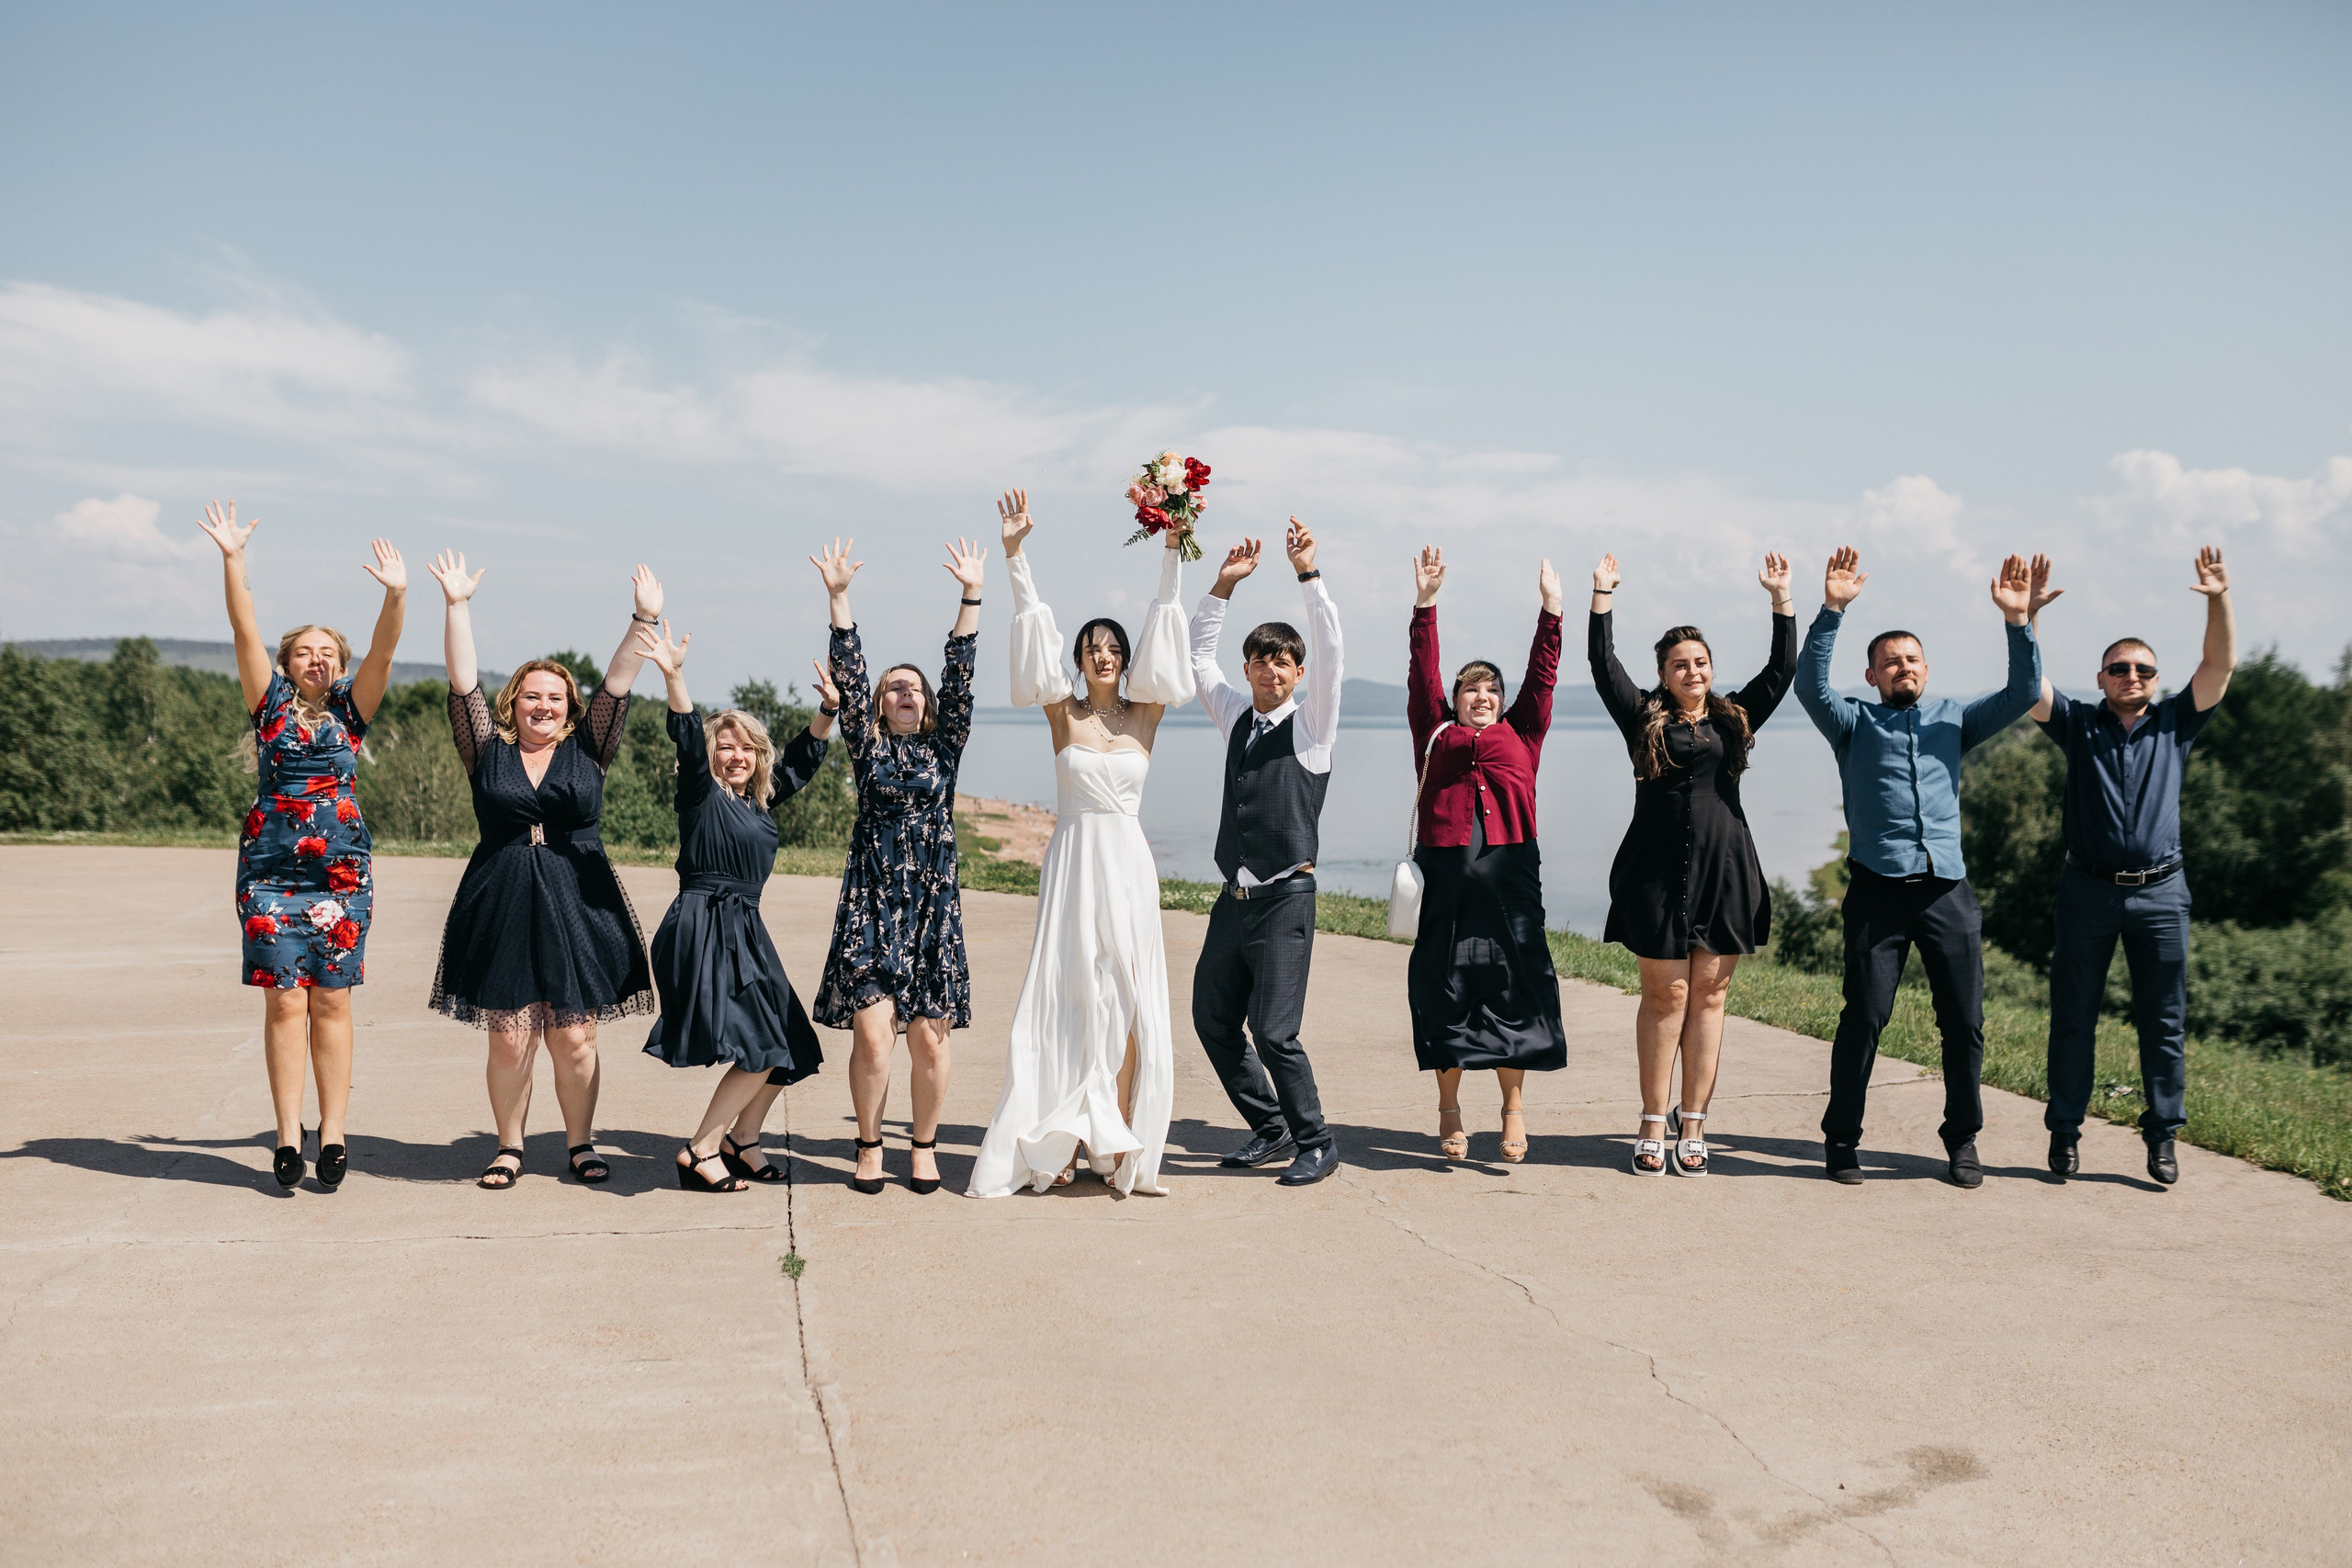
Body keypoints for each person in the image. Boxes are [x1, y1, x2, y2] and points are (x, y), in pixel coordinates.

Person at [968, 491, 1195, 1198]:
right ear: (1080, 659)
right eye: (1092, 647)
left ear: (1125, 660)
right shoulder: (1061, 714)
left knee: (1127, 1000)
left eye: (1113, 648)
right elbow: (1031, 630)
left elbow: (1166, 625)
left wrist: (1171, 548)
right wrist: (1015, 556)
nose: (1103, 654)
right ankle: (1057, 1137)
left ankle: (1121, 1138)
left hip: (1126, 864)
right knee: (1068, 996)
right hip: (1072, 862)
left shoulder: (1146, 713)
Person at [1795, 547, 2041, 1188]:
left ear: (1926, 669)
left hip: (1947, 894)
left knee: (1963, 1022)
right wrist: (1832, 610)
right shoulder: (1852, 722)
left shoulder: (1954, 721)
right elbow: (1809, 686)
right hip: (1877, 893)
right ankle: (1841, 1139)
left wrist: (2018, 623)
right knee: (1865, 1017)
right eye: (1890, 661)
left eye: (1911, 658)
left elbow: (2021, 691)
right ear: (1873, 675)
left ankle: (1962, 1139)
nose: (1902, 666)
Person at [425, 551, 658, 1190]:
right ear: (513, 703)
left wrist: (643, 618)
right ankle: (509, 1145)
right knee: (509, 1037)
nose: (544, 705)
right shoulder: (485, 751)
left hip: (577, 901)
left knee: (574, 1035)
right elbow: (462, 682)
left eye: (556, 697)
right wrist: (457, 605)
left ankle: (580, 1142)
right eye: (532, 695)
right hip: (501, 897)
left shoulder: (590, 748)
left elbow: (618, 680)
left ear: (569, 709)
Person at [199, 501, 407, 1190]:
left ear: (338, 665)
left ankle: (335, 1133)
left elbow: (384, 650)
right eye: (304, 651)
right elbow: (242, 626)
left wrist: (396, 595)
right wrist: (234, 558)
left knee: (332, 1000)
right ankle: (288, 1134)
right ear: (288, 664)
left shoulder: (353, 709)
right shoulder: (270, 708)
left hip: (341, 872)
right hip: (269, 870)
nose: (316, 659)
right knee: (284, 999)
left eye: (328, 653)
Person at [2028, 547, 2235, 1186]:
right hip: (2086, 891)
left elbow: (2219, 663)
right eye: (2119, 668)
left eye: (2143, 668)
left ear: (2155, 677)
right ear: (2102, 677)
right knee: (2073, 1018)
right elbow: (2026, 687)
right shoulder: (2078, 725)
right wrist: (2026, 620)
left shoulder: (2176, 722)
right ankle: (2064, 1135)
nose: (2131, 675)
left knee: (2163, 1022)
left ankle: (2163, 1136)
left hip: (2161, 894)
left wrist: (2216, 599)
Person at [1590, 550, 1799, 1177]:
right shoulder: (1643, 717)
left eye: (1701, 662)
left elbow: (1782, 669)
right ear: (1662, 672)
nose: (1693, 670)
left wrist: (1781, 599)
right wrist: (1602, 596)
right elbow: (1603, 665)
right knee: (1666, 994)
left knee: (1709, 994)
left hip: (1726, 868)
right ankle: (1654, 1118)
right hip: (1655, 872)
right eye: (1680, 664)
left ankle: (1695, 1120)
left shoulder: (1734, 718)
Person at [633, 618, 839, 1192]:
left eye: (747, 747)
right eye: (725, 747)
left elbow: (800, 761)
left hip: (745, 927)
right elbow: (686, 742)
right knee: (759, 1046)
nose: (736, 755)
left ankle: (741, 1139)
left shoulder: (759, 803)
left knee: (790, 1043)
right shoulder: (701, 796)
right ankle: (701, 1150)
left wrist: (828, 711)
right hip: (704, 925)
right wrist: (675, 677)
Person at [809, 535, 984, 1196]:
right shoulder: (867, 750)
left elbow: (961, 673)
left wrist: (970, 595)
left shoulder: (946, 748)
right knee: (875, 1040)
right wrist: (839, 597)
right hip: (872, 906)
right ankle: (868, 1144)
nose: (906, 693)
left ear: (929, 703)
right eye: (894, 688)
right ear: (880, 705)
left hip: (933, 911)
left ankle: (925, 1145)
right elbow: (850, 674)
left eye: (914, 688)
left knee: (932, 1044)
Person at [1187, 518, 1345, 1187]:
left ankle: (1316, 1139)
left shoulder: (1313, 725)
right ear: (1249, 669)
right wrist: (1223, 584)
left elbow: (1334, 648)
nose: (1272, 669)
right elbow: (1199, 657)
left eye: (1284, 660)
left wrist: (1308, 574)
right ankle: (1270, 1125)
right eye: (1261, 659)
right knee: (1212, 1016)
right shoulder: (1233, 714)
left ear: (1297, 672)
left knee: (1275, 1030)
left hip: (1286, 897)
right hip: (1235, 899)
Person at [1404, 546, 1567, 1166]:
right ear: (1457, 698)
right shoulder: (1434, 732)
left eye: (1491, 688)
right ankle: (1448, 1108)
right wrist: (1426, 605)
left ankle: (1513, 1108)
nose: (1482, 694)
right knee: (1445, 988)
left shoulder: (1522, 732)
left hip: (1511, 877)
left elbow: (1544, 675)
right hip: (1445, 877)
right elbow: (1422, 673)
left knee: (1511, 990)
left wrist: (1551, 611)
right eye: (1471, 688)